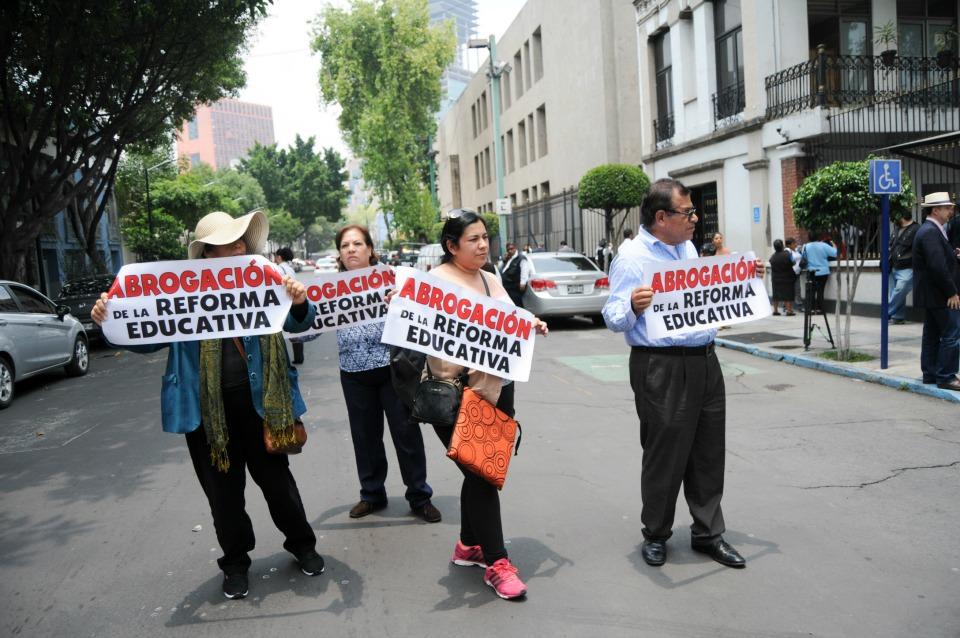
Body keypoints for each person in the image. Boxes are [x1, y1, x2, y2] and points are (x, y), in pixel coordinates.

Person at [90, 211, 324, 600]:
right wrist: (109, 318)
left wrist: (299, 302)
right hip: (206, 416)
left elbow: (300, 324)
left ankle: (302, 544)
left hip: (261, 407)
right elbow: (145, 338)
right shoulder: (179, 294)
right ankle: (235, 562)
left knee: (278, 485)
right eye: (225, 245)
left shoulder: (266, 280)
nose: (236, 249)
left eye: (239, 243)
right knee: (223, 495)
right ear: (205, 255)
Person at [602, 178, 764, 569]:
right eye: (687, 212)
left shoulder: (687, 248)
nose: (695, 218)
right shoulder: (632, 258)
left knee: (708, 451)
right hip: (661, 366)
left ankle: (709, 533)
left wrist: (744, 276)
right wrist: (634, 306)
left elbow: (702, 293)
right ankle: (656, 534)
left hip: (704, 360)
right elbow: (612, 316)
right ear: (662, 217)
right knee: (665, 453)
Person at [422, 209, 547, 600]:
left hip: (496, 390)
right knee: (481, 475)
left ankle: (467, 546)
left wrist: (529, 323)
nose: (482, 245)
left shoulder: (490, 278)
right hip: (457, 396)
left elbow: (510, 316)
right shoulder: (436, 283)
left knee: (480, 473)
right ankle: (497, 563)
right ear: (451, 246)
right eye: (473, 239)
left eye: (484, 237)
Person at [334, 224, 440, 523]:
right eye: (345, 245)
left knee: (406, 434)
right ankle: (372, 494)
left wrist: (403, 301)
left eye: (357, 243)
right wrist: (300, 307)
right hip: (353, 374)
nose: (351, 249)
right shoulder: (330, 290)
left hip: (394, 370)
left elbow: (425, 312)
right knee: (365, 438)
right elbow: (305, 332)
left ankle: (419, 495)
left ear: (369, 249)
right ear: (339, 254)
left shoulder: (394, 278)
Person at [911, 192, 960, 391]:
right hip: (941, 294)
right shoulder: (931, 231)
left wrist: (954, 254)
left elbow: (939, 258)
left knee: (931, 334)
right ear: (935, 210)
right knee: (951, 333)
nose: (951, 211)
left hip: (932, 294)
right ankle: (947, 376)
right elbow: (937, 266)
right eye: (947, 208)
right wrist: (952, 292)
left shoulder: (931, 229)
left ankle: (930, 373)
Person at [274, 247, 305, 364]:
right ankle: (299, 357)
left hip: (283, 302)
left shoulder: (277, 268)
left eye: (276, 257)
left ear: (279, 257)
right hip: (293, 299)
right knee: (295, 331)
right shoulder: (291, 269)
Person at [888, 210, 919, 324]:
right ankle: (898, 316)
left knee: (900, 289)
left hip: (907, 266)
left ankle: (887, 311)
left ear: (902, 217)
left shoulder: (916, 229)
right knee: (894, 291)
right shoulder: (897, 228)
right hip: (893, 264)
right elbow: (891, 245)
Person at [801, 234, 837, 312]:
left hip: (811, 271)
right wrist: (834, 245)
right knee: (820, 291)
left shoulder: (805, 246)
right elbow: (835, 253)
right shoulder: (823, 245)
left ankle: (812, 308)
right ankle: (821, 309)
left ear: (808, 238)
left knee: (812, 291)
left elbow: (803, 257)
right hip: (823, 272)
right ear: (818, 237)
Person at [769, 239, 798, 316]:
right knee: (788, 294)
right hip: (787, 278)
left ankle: (775, 310)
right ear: (782, 246)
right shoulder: (787, 254)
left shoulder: (773, 256)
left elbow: (771, 263)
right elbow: (793, 262)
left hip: (776, 278)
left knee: (776, 295)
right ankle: (789, 311)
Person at [500, 242, 529, 307]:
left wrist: (523, 283)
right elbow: (501, 269)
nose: (510, 251)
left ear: (515, 248)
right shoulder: (508, 258)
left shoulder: (521, 258)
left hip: (515, 288)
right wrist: (504, 260)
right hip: (507, 288)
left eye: (511, 249)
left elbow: (524, 271)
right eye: (508, 250)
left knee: (517, 306)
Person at [786, 238, 804, 311]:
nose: (795, 245)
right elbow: (791, 261)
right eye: (794, 244)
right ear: (789, 245)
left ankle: (799, 305)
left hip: (797, 273)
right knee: (790, 290)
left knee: (797, 289)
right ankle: (786, 306)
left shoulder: (796, 250)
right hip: (790, 273)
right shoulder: (787, 251)